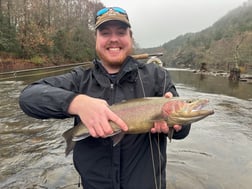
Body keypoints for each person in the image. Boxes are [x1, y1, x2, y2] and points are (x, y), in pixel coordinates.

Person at [19, 7, 191, 189]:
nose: (114, 39)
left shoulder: (158, 76)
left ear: (130, 37)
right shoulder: (80, 79)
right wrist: (76, 103)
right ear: (96, 39)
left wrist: (175, 124)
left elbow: (183, 131)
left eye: (121, 32)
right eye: (105, 33)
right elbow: (28, 97)